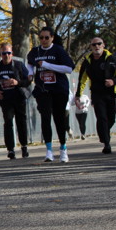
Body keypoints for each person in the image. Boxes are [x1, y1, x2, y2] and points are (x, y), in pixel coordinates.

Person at [27, 26, 75, 162]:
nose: (44, 40)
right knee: (45, 117)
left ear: (52, 38)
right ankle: (49, 151)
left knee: (59, 119)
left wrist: (47, 65)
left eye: (46, 37)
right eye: (41, 37)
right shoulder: (35, 51)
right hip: (43, 89)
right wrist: (30, 73)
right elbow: (29, 63)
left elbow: (68, 68)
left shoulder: (58, 50)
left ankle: (63, 149)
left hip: (59, 89)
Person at [76, 36, 116, 154]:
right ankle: (107, 144)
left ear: (103, 45)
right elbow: (82, 79)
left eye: (99, 44)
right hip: (97, 94)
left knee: (111, 118)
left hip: (110, 93)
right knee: (102, 117)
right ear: (91, 47)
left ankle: (103, 133)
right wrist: (78, 95)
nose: (96, 46)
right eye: (94, 44)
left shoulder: (111, 58)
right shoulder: (87, 61)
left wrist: (113, 81)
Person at [0, 43, 32, 159]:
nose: (6, 55)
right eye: (4, 53)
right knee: (8, 122)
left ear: (12, 54)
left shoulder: (18, 65)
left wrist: (17, 82)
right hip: (6, 99)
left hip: (19, 97)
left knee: (21, 122)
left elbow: (28, 81)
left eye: (8, 53)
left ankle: (24, 146)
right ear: (0, 54)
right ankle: (10, 150)